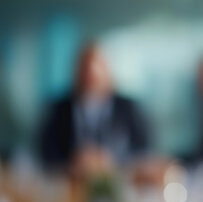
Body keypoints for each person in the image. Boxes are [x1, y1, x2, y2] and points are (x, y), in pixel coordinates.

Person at [39, 42, 149, 177]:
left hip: (118, 182)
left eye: (96, 73)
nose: (91, 78)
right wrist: (73, 162)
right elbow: (45, 153)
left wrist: (111, 161)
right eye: (86, 72)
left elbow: (144, 150)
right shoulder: (59, 110)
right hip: (70, 183)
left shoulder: (127, 108)